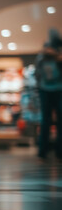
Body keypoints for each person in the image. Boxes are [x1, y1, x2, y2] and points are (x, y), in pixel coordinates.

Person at [35, 28, 62, 160]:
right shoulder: (53, 54)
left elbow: (38, 74)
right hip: (54, 90)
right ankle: (52, 150)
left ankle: (44, 150)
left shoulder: (44, 55)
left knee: (46, 120)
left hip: (47, 90)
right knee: (53, 121)